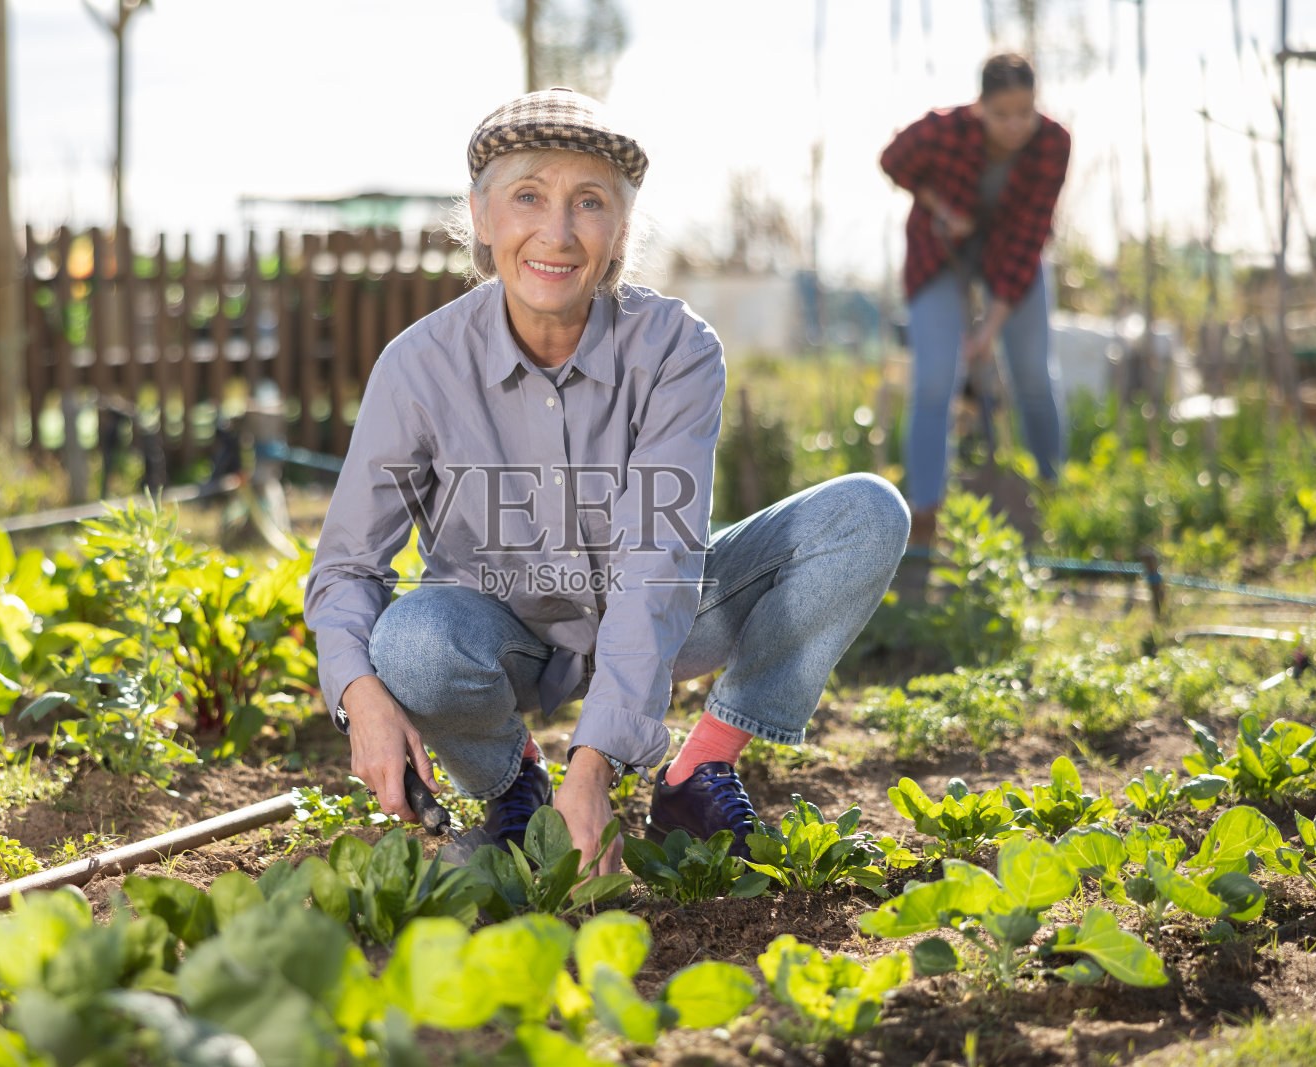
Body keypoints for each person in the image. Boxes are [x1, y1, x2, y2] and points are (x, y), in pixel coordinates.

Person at [303, 87, 909, 875]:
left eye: (589, 202)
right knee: (410, 644)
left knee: (866, 512)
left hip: (670, 615)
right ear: (482, 217)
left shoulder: (675, 350)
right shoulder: (420, 367)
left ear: (621, 230)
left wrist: (593, 772)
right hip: (503, 634)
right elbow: (347, 566)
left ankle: (699, 772)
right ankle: (513, 784)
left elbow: (657, 565)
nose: (556, 233)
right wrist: (359, 694)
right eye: (527, 196)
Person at [880, 53, 1071, 544]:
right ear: (980, 106)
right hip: (940, 255)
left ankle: (1053, 495)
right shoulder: (942, 131)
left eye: (1024, 112)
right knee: (934, 380)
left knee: (1033, 375)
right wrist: (940, 208)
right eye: (1001, 114)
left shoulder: (1052, 144)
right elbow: (892, 160)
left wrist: (990, 329)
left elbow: (1029, 238)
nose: (1015, 126)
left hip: (1012, 256)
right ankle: (925, 514)